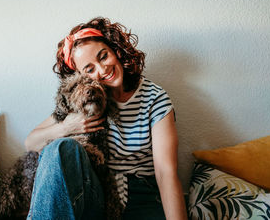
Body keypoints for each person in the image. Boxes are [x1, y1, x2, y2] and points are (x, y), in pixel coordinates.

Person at [25, 17, 187, 220]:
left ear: (116, 51)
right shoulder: (85, 102)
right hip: (98, 193)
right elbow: (30, 142)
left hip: (142, 196)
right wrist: (66, 127)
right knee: (61, 148)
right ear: (81, 76)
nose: (102, 70)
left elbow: (166, 174)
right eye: (89, 69)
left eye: (103, 56)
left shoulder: (154, 99)